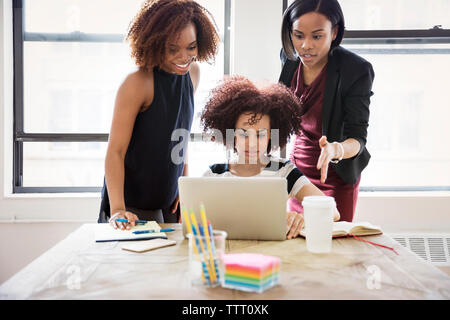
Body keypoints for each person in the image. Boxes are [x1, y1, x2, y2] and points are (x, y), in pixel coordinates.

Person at [98, 0, 220, 230]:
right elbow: (115, 152)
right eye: (173, 49)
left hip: (168, 203)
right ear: (154, 43)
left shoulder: (192, 73)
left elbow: (180, 138)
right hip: (131, 206)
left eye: (191, 47)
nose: (184, 57)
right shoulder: (137, 82)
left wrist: (183, 188)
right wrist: (117, 211)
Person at [200, 76, 340, 240]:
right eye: (244, 134)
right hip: (228, 251)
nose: (251, 143)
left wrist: (302, 219)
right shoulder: (213, 174)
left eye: (260, 135)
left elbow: (333, 212)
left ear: (271, 137)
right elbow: (196, 219)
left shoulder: (284, 171)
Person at [279, 0, 375, 222]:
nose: (305, 46)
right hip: (298, 173)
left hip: (336, 175)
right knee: (296, 243)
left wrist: (336, 150)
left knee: (333, 246)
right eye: (298, 35)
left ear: (334, 33)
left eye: (317, 36)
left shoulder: (356, 70)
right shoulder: (289, 59)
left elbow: (358, 139)